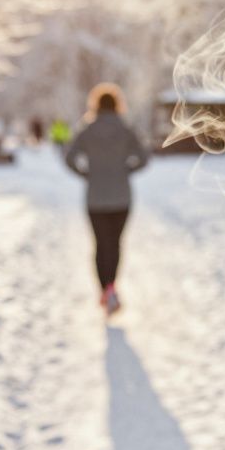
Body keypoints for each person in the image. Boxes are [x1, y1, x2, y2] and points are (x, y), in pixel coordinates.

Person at [64, 83, 149, 315]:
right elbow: (143, 157)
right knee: (116, 243)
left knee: (101, 244)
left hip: (95, 198)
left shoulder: (87, 129)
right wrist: (126, 170)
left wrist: (87, 174)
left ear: (95, 104)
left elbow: (69, 157)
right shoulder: (126, 129)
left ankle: (105, 291)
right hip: (122, 197)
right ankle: (112, 288)